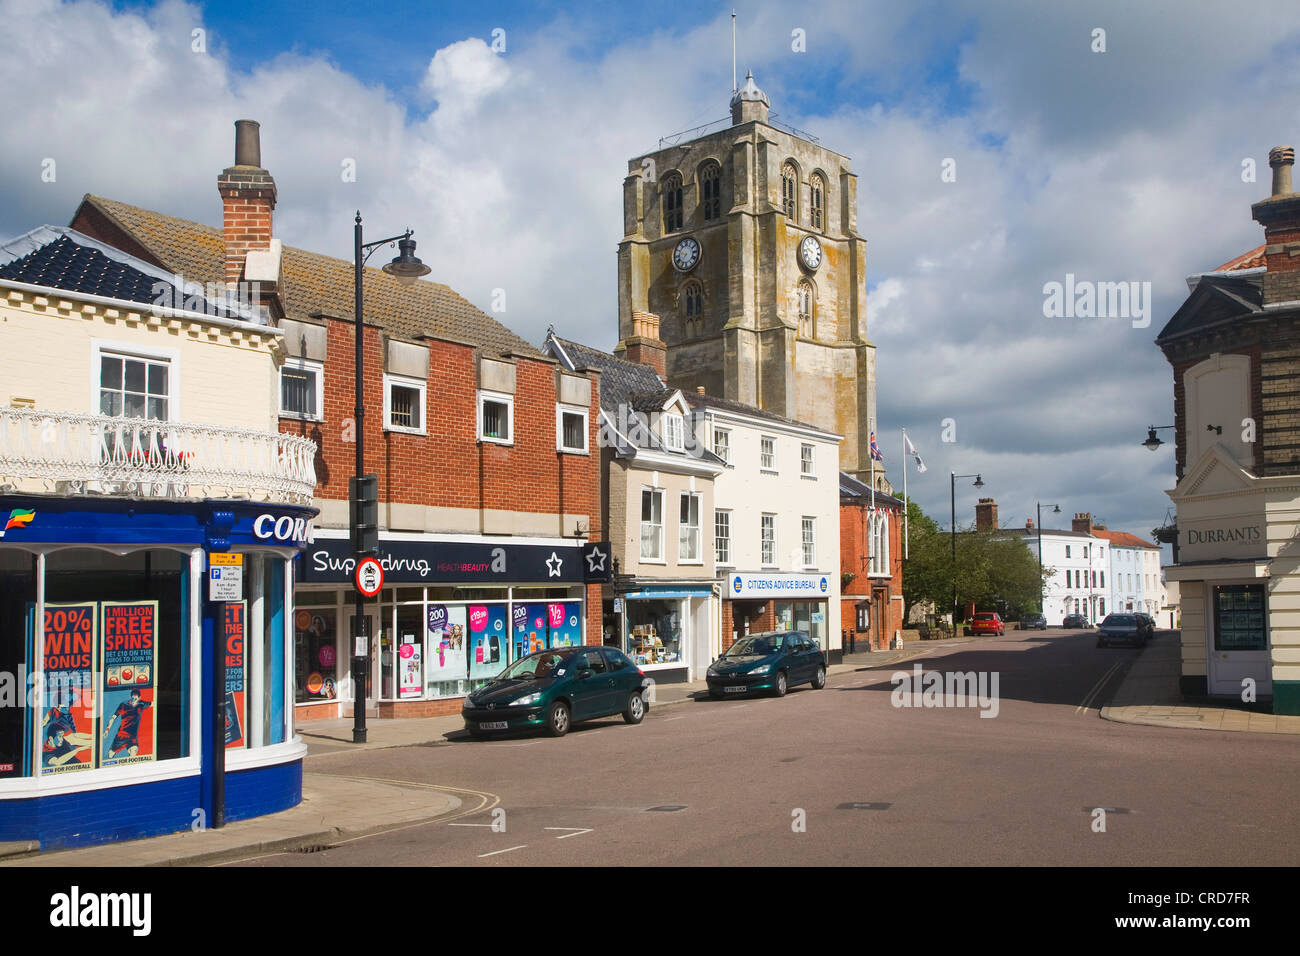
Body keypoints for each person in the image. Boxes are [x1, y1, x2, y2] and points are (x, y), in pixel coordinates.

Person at [102, 689, 151, 759]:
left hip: (132, 737)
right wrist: (107, 729)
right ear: (130, 697)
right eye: (132, 698)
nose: (133, 700)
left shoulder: (141, 704)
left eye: (135, 699)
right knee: (110, 755)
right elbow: (113, 718)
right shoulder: (123, 705)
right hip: (121, 736)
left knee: (133, 752)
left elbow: (153, 703)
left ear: (139, 698)